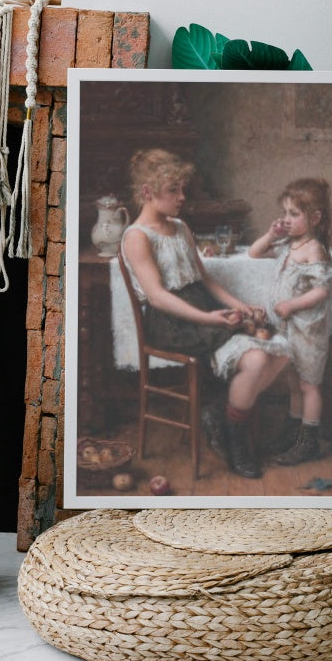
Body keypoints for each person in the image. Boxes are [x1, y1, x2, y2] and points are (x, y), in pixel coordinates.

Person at [120, 149, 291, 479]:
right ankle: (235, 434)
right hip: (171, 322)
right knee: (256, 359)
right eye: (174, 190)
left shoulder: (181, 227)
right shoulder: (137, 238)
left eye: (182, 189)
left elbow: (207, 280)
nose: (182, 197)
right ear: (147, 192)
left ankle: (222, 415)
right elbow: (157, 297)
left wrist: (239, 306)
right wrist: (210, 319)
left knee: (281, 351)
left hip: (200, 308)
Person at [248, 177, 332, 465]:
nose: (287, 219)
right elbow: (254, 252)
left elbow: (322, 290)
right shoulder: (289, 244)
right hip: (289, 330)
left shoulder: (313, 248)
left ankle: (308, 440)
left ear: (315, 217)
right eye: (285, 212)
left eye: (293, 214)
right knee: (294, 381)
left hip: (308, 330)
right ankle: (292, 431)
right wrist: (271, 234)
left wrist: (292, 305)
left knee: (309, 385)